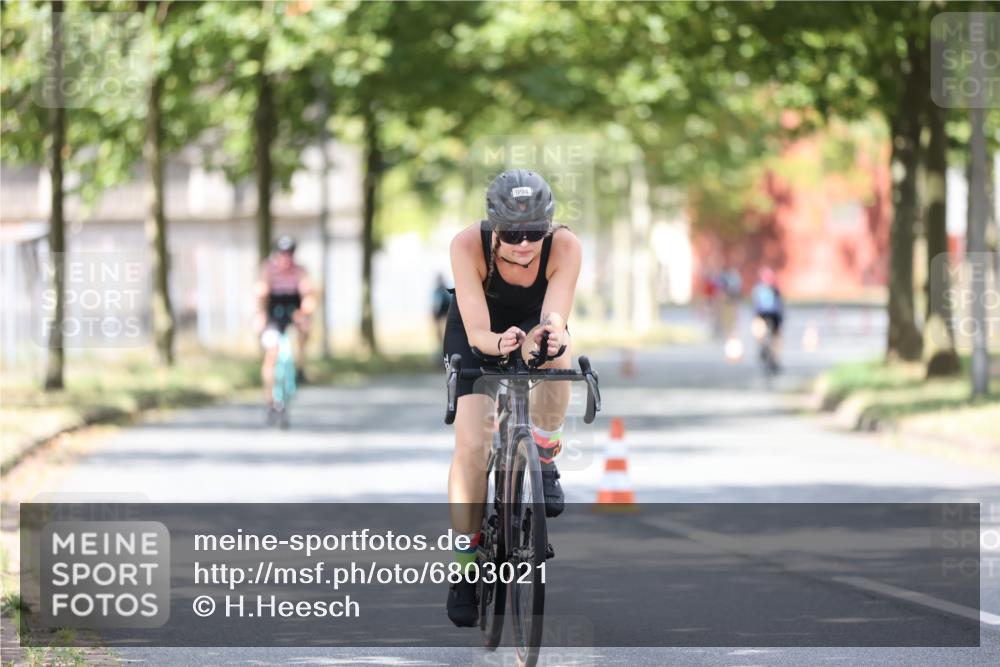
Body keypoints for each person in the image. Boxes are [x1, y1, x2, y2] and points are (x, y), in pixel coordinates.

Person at [442, 168, 581, 627]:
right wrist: (498, 344)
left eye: (535, 233)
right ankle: (465, 567)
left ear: (549, 226)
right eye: (513, 234)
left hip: (533, 321)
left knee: (559, 357)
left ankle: (544, 452)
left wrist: (549, 339)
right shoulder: (467, 245)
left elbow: (555, 318)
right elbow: (479, 333)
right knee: (473, 446)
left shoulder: (565, 247)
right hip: (478, 329)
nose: (524, 244)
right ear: (494, 226)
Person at [253, 235, 316, 412]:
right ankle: (270, 397)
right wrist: (261, 315)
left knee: (303, 333)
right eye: (282, 253)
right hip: (273, 314)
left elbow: (308, 296)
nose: (286, 258)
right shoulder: (268, 269)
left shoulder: (300, 271)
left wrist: (305, 312)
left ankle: (300, 366)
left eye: (289, 253)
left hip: (293, 312)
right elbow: (261, 294)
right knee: (271, 354)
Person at [751, 266, 784, 370]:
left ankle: (774, 356)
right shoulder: (760, 289)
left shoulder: (773, 289)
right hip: (763, 314)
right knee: (761, 333)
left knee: (775, 337)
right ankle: (764, 348)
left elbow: (779, 304)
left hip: (772, 315)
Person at [431, 273, 452, 350]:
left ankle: (445, 340)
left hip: (446, 307)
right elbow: (435, 304)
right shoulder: (437, 290)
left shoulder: (445, 289)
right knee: (438, 326)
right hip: (441, 309)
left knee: (446, 325)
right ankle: (440, 341)